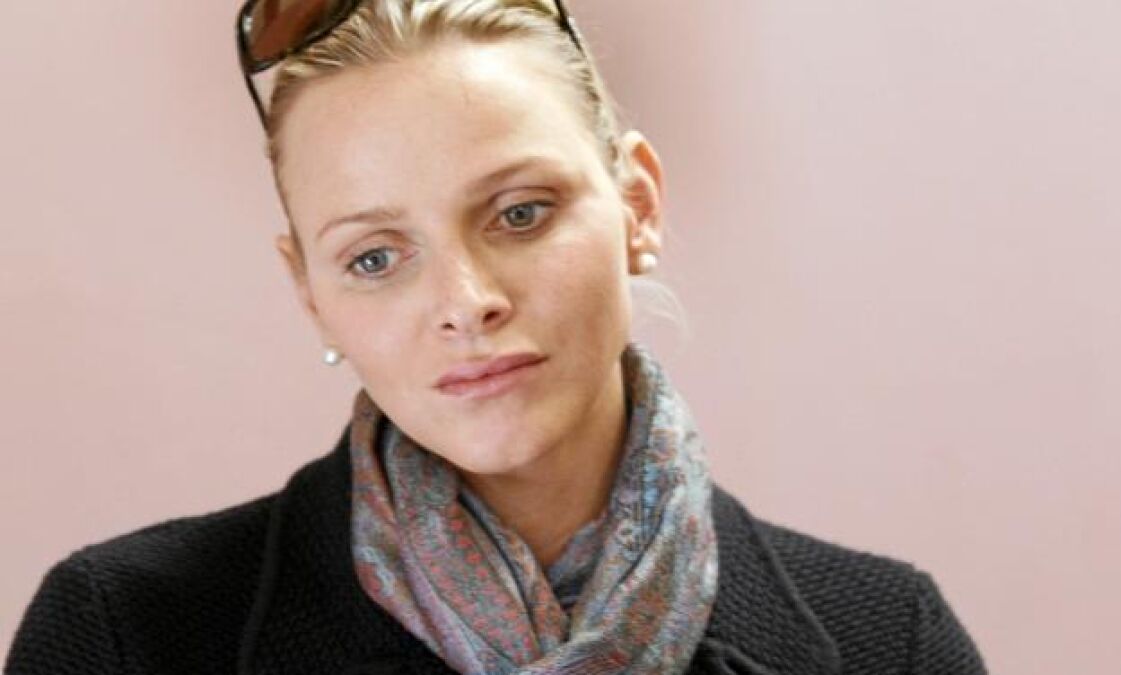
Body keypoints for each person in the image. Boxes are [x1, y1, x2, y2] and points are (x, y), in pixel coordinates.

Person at [5, 1, 987, 673]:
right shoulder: (129, 634)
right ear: (309, 291)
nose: (465, 301)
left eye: (518, 214)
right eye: (375, 257)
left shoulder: (885, 642)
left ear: (637, 206)